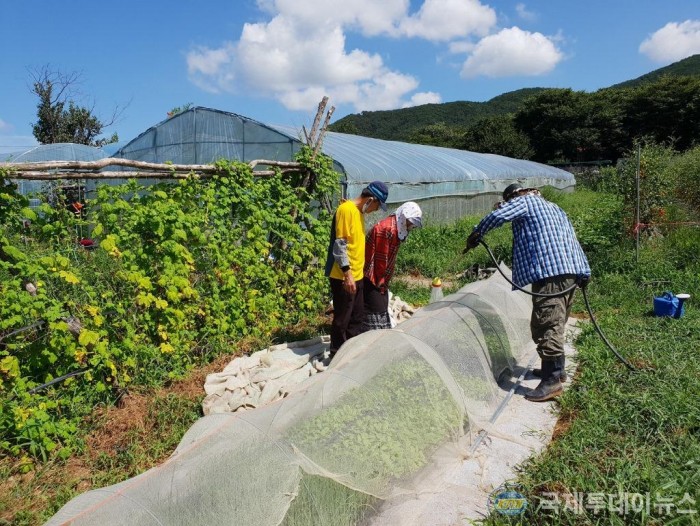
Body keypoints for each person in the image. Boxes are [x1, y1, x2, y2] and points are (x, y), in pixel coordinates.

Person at [464, 183, 591, 402]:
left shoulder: (525, 201)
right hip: (571, 272)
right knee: (556, 322)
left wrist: (477, 233)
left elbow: (498, 215)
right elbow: (572, 238)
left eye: (509, 201)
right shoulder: (552, 207)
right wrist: (584, 271)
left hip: (551, 273)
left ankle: (551, 383)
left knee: (546, 324)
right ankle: (557, 370)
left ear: (513, 197)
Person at [325, 181, 389, 358]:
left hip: (357, 274)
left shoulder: (357, 212)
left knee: (357, 317)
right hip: (344, 275)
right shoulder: (347, 210)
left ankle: (351, 353)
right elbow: (340, 245)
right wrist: (347, 274)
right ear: (371, 199)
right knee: (342, 319)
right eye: (377, 206)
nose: (376, 211)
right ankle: (336, 355)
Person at [363, 202, 423, 331]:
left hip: (379, 278)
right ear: (403, 216)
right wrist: (381, 284)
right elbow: (380, 259)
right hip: (372, 277)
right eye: (409, 222)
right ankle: (370, 338)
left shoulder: (395, 228)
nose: (410, 225)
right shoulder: (387, 229)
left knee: (382, 306)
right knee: (375, 310)